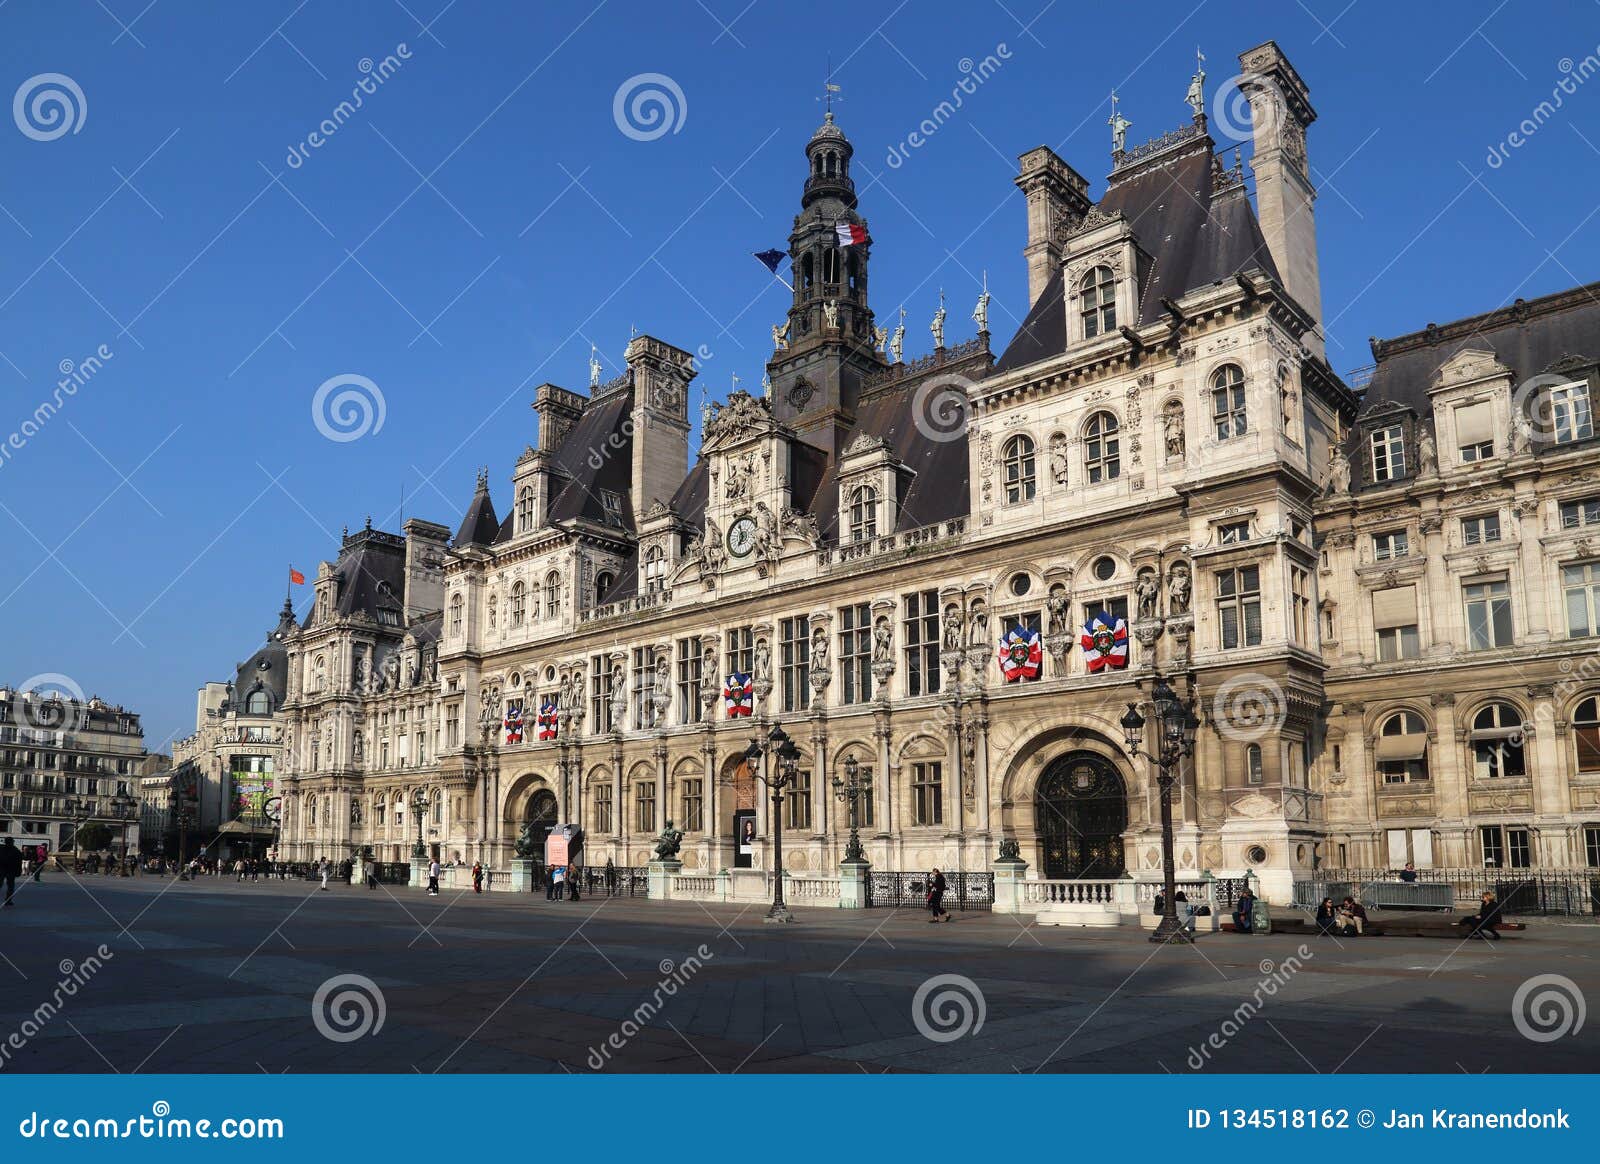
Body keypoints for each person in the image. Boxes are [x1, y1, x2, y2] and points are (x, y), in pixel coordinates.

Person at [0, 837, 22, 907]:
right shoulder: (16, 851)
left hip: (2, 869)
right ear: (12, 842)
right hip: (10, 870)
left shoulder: (1, 849)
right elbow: (19, 862)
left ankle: (8, 900)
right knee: (10, 886)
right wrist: (19, 871)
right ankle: (8, 900)